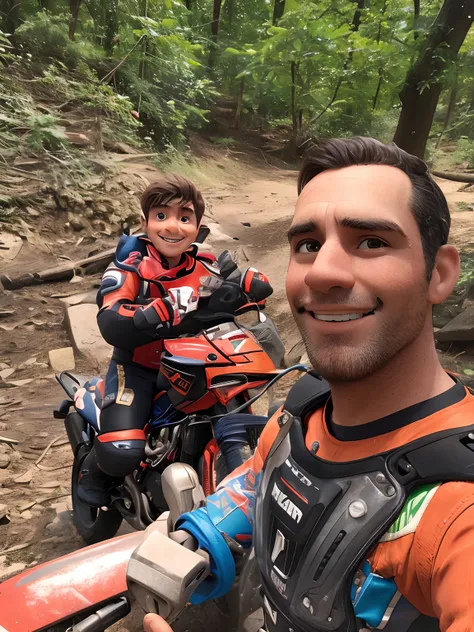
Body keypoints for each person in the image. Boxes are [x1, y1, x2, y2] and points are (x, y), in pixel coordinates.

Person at [143, 137, 474, 632]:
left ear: (440, 273)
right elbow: (259, 482)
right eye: (308, 245)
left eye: (371, 242)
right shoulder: (299, 413)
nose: (323, 271)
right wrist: (200, 534)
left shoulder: (456, 510)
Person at [78, 174, 272, 507]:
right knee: (121, 451)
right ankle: (92, 472)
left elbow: (231, 301)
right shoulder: (128, 268)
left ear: (198, 226)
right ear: (145, 222)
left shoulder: (208, 266)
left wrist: (247, 290)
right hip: (136, 366)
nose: (173, 226)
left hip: (197, 361)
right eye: (161, 216)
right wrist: (148, 313)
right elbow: (110, 317)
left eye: (184, 218)